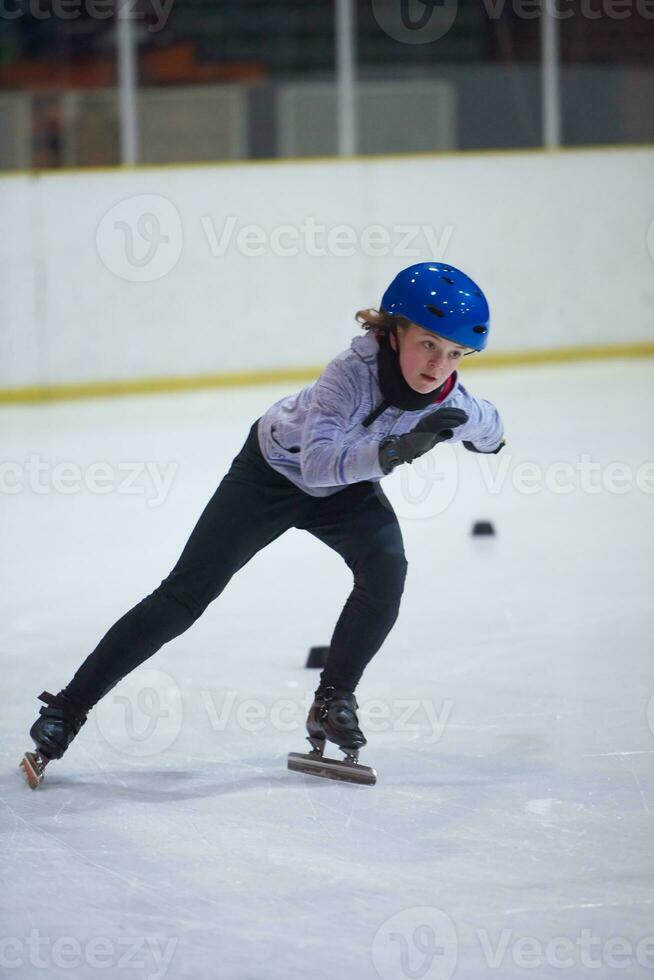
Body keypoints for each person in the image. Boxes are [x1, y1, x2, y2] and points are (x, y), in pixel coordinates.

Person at [23, 262, 505, 785]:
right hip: (272, 473)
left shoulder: (448, 394)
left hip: (348, 488)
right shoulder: (349, 372)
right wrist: (396, 450)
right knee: (186, 596)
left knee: (386, 567)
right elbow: (319, 466)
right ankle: (65, 711)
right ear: (393, 333)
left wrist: (481, 431)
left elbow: (490, 428)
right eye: (429, 344)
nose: (439, 364)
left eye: (456, 354)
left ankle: (333, 699)